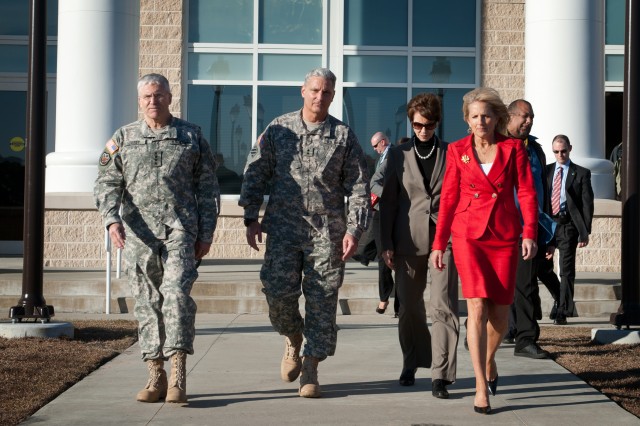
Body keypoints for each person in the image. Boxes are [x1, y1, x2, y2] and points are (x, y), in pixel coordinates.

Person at [239, 68, 370, 398]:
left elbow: (358, 187)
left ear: (332, 95)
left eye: (326, 92)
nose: (319, 97)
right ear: (303, 91)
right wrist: (251, 217)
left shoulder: (342, 136)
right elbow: (255, 173)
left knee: (323, 301)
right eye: (314, 90)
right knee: (277, 294)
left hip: (327, 232)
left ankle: (310, 367)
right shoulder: (279, 129)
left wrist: (354, 229)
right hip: (283, 229)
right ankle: (292, 336)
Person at [94, 73, 220, 404]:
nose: (153, 101)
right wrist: (111, 220)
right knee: (148, 303)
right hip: (138, 235)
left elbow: (207, 188)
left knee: (176, 295)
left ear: (169, 96)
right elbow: (108, 182)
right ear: (140, 101)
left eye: (159, 95)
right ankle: (155, 374)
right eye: (147, 96)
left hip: (180, 231)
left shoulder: (190, 136)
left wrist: (206, 232)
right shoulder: (123, 137)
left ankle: (178, 372)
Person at [430, 88, 539, 414]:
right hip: (468, 237)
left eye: (487, 115)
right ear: (467, 119)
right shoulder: (457, 151)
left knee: (501, 315)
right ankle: (480, 386)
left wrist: (530, 233)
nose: (481, 121)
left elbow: (528, 193)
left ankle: (489, 360)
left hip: (504, 237)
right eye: (475, 116)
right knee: (476, 308)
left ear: (497, 118)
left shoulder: (513, 149)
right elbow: (448, 199)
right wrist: (439, 243)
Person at [380, 93, 459, 400]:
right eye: (417, 125)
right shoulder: (397, 154)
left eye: (428, 125)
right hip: (407, 240)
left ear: (437, 123)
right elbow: (387, 202)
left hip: (446, 239)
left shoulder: (452, 153)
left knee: (444, 307)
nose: (423, 130)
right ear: (411, 122)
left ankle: (441, 374)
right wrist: (385, 242)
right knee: (409, 309)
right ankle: (412, 360)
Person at [506, 99, 561, 357]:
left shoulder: (535, 149)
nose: (528, 121)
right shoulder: (495, 145)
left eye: (532, 117)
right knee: (494, 284)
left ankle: (525, 339)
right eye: (524, 116)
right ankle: (489, 328)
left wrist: (549, 233)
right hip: (499, 227)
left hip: (529, 228)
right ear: (510, 117)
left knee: (526, 285)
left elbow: (544, 190)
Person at [546, 134, 594, 325]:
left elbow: (587, 204)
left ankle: (563, 311)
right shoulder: (547, 171)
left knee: (566, 270)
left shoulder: (581, 173)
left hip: (568, 225)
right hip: (548, 226)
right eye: (556, 152)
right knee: (543, 267)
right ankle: (560, 298)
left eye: (563, 151)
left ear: (570, 149)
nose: (560, 155)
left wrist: (585, 231)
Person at [369, 131, 398, 317]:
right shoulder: (382, 159)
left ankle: (398, 305)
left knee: (399, 260)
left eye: (375, 145)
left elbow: (374, 182)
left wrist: (390, 197)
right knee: (382, 257)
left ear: (383, 142)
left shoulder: (394, 155)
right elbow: (374, 183)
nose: (374, 149)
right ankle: (384, 297)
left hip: (397, 214)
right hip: (381, 212)